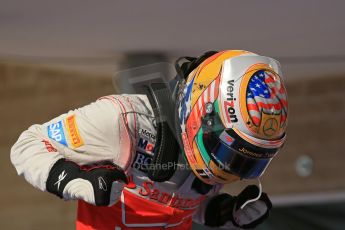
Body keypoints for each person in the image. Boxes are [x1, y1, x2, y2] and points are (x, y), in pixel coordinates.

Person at [11, 50, 288, 230]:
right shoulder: (122, 121)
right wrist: (74, 181)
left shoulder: (208, 154)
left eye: (245, 162)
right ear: (203, 113)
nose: (231, 170)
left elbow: (179, 202)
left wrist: (219, 212)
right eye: (231, 155)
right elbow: (27, 145)